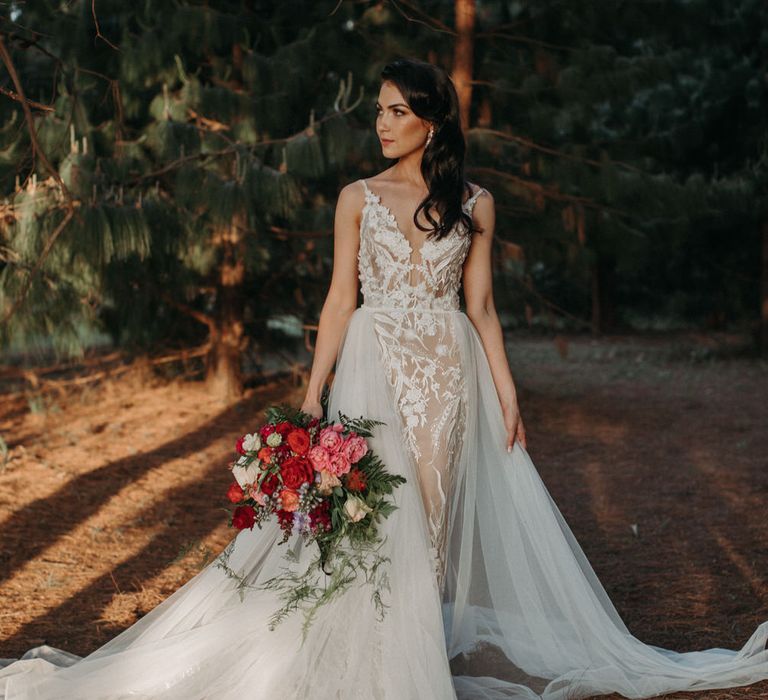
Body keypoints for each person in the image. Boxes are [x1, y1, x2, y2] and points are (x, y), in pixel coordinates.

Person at [1, 57, 767, 700]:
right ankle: (362, 660)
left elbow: (485, 308)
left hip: (447, 369)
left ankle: (412, 656)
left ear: (431, 122)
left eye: (397, 111)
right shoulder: (355, 199)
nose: (381, 122)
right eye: (378, 111)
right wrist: (311, 393)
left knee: (428, 518)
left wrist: (507, 391)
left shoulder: (476, 204)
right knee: (371, 514)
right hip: (372, 360)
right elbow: (340, 301)